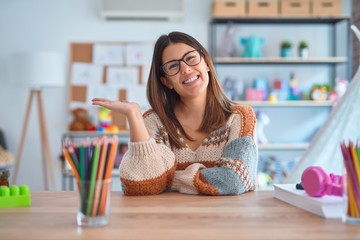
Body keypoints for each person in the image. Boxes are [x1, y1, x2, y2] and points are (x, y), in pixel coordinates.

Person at [92, 31, 258, 196]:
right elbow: (139, 186)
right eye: (173, 66)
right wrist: (134, 115)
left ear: (206, 63)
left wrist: (168, 179)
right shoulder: (155, 122)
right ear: (166, 82)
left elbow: (234, 180)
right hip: (169, 220)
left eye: (191, 58)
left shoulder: (240, 117)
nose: (185, 69)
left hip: (227, 220)